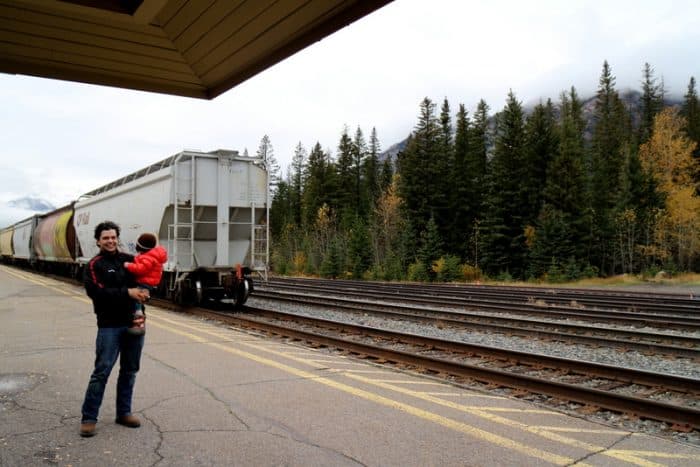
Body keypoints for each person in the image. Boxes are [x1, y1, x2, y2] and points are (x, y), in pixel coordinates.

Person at [79, 221, 150, 438]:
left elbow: (146, 281)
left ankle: (124, 413)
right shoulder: (94, 265)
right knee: (102, 372)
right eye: (105, 238)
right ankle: (89, 418)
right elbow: (98, 294)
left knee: (129, 370)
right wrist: (127, 292)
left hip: (134, 323)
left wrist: (145, 290)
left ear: (117, 238)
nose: (110, 241)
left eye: (113, 237)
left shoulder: (130, 260)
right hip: (109, 325)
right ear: (98, 241)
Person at [123, 232, 167, 335]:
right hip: (149, 282)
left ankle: (138, 322)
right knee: (139, 299)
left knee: (137, 300)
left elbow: (140, 269)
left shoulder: (147, 258)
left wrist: (128, 265)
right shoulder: (152, 255)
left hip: (144, 282)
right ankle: (138, 320)